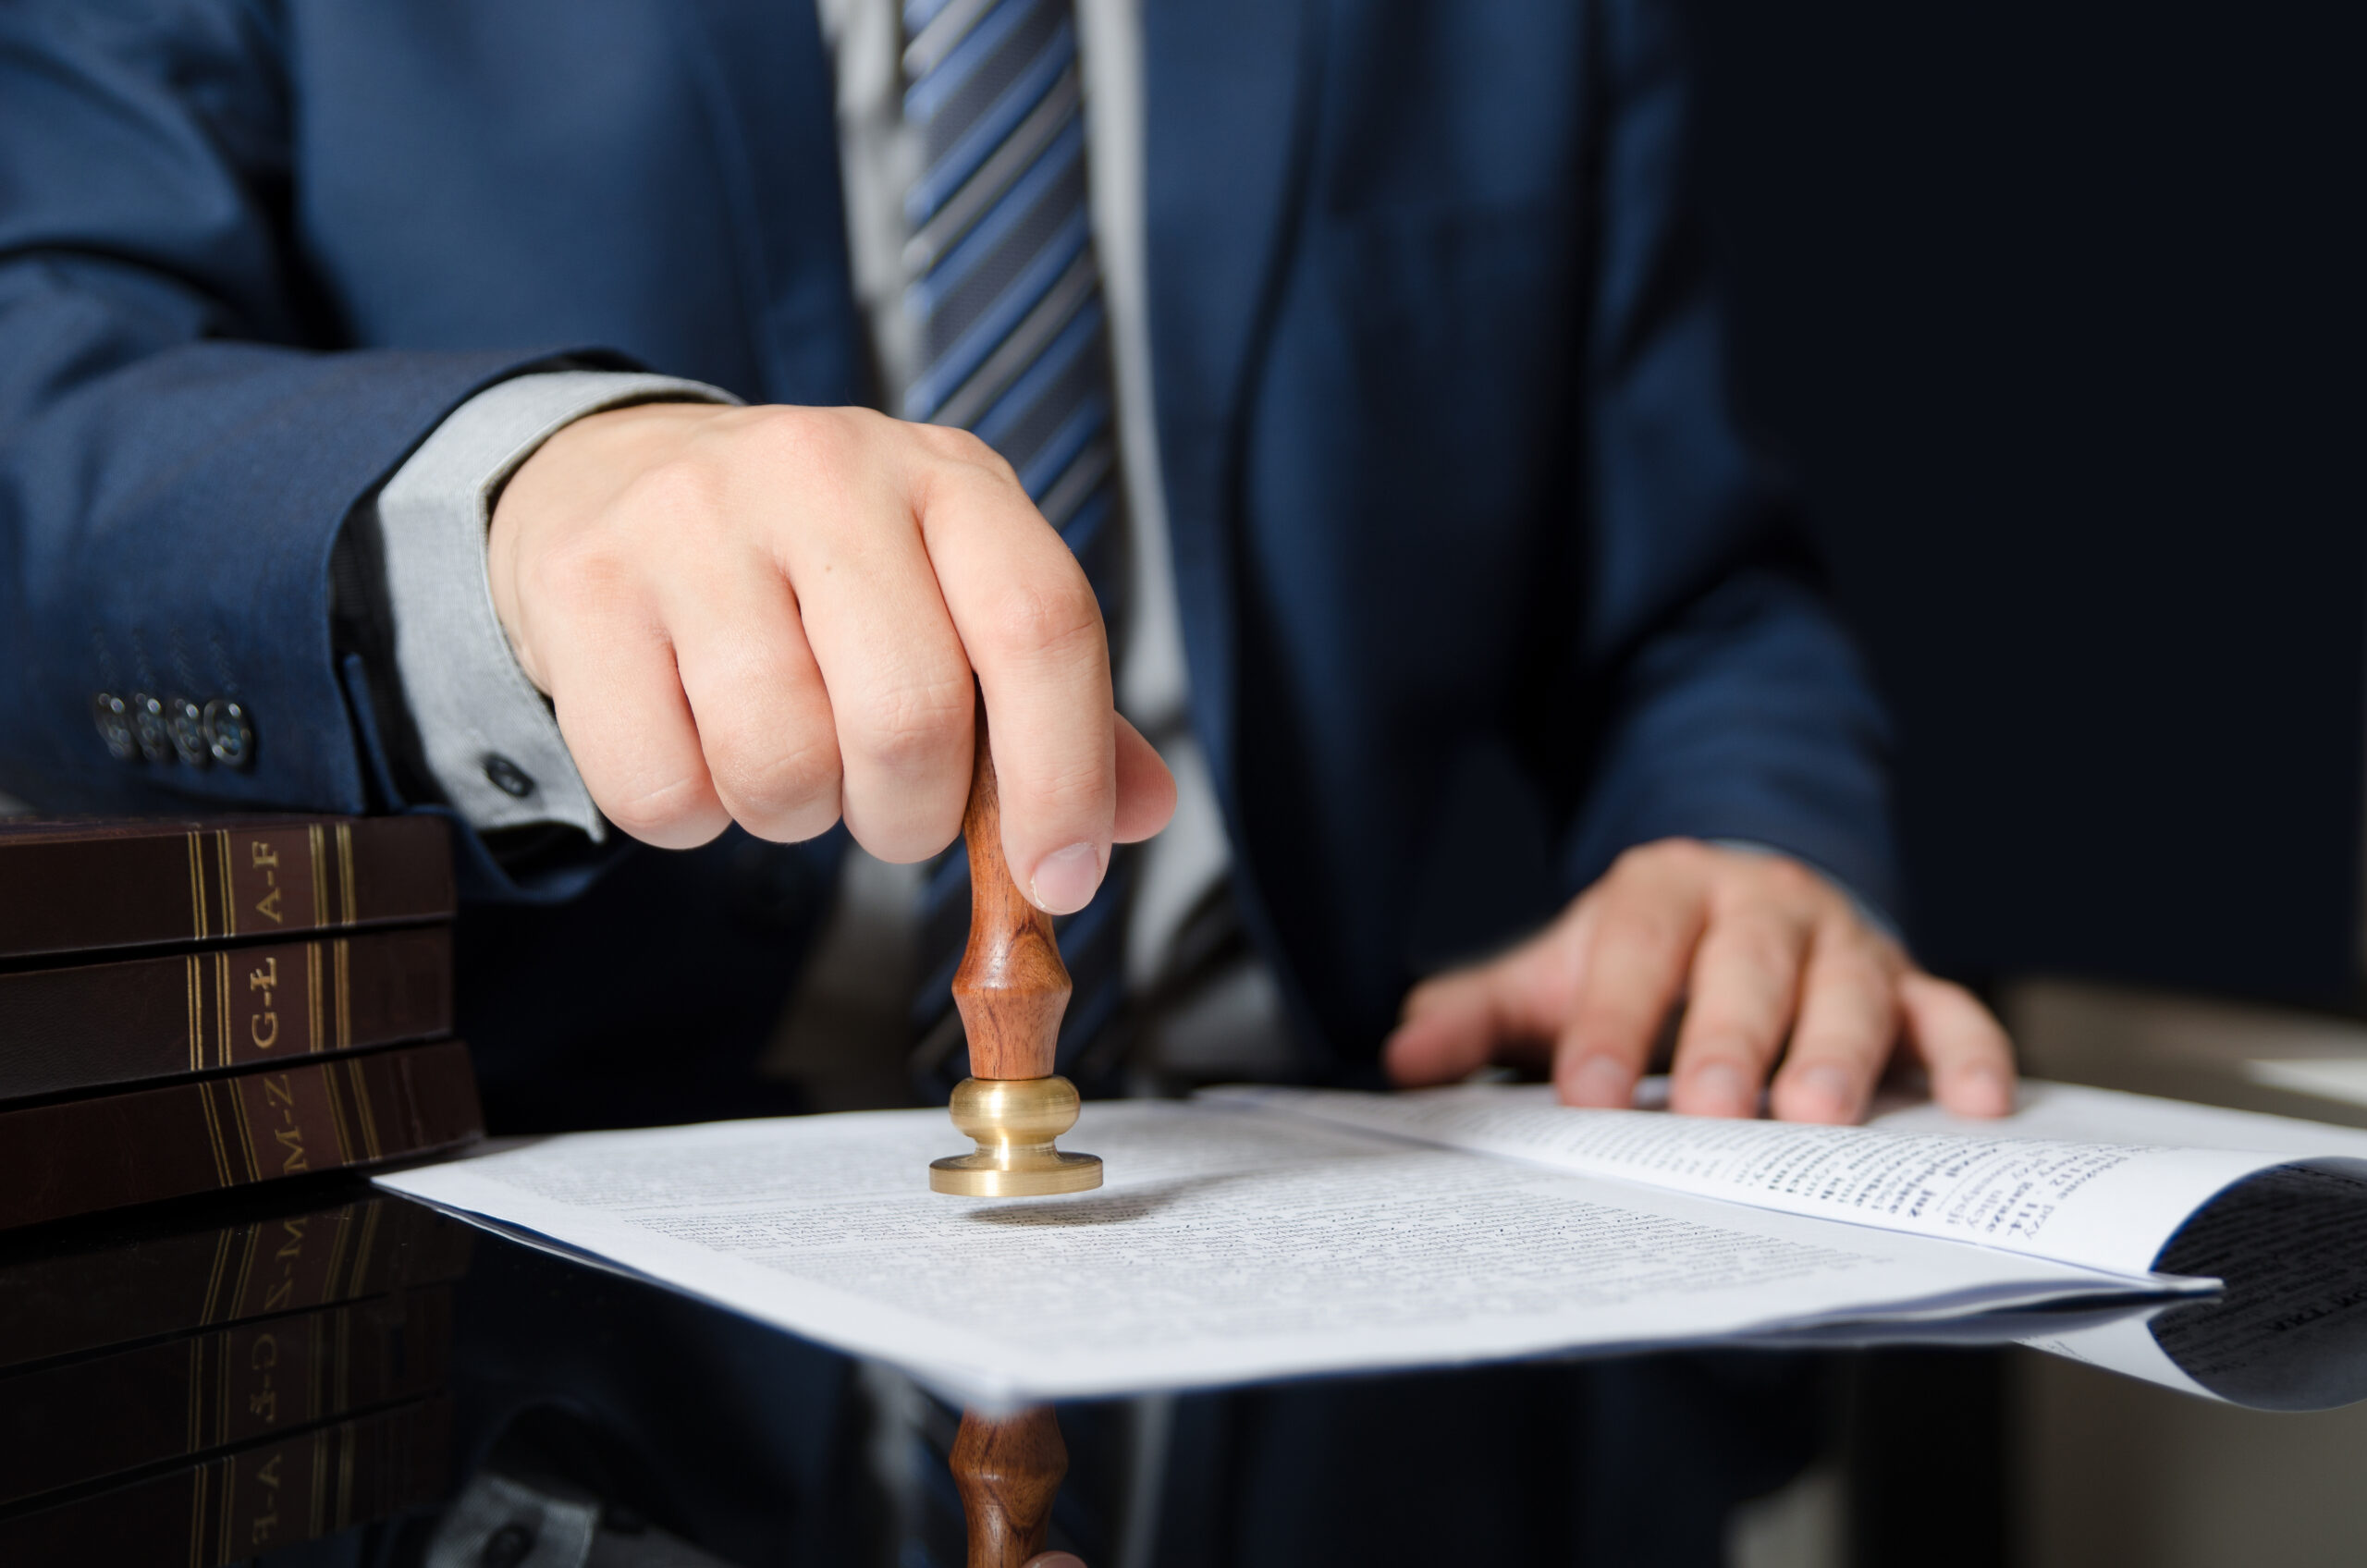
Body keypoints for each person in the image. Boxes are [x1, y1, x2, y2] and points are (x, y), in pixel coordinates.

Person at [0, 0, 2015, 1561]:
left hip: (1325, 1355)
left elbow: (1693, 596)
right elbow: (41, 407)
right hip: (474, 1337)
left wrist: (1738, 844)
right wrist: (518, 495)